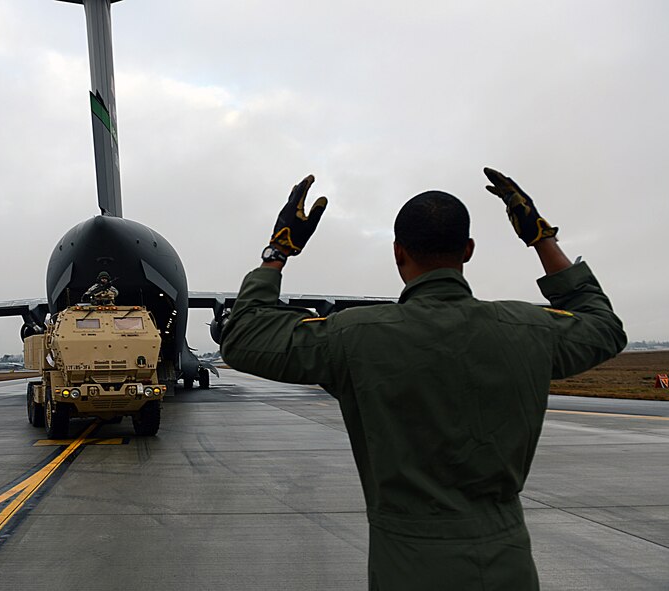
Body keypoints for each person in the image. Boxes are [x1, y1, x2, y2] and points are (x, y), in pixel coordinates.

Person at [220, 170, 626, 591]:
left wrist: (278, 251)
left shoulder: (354, 335)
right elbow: (605, 327)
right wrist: (542, 237)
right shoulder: (529, 328)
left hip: (405, 567)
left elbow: (244, 336)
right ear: (468, 250)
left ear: (398, 253)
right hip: (506, 565)